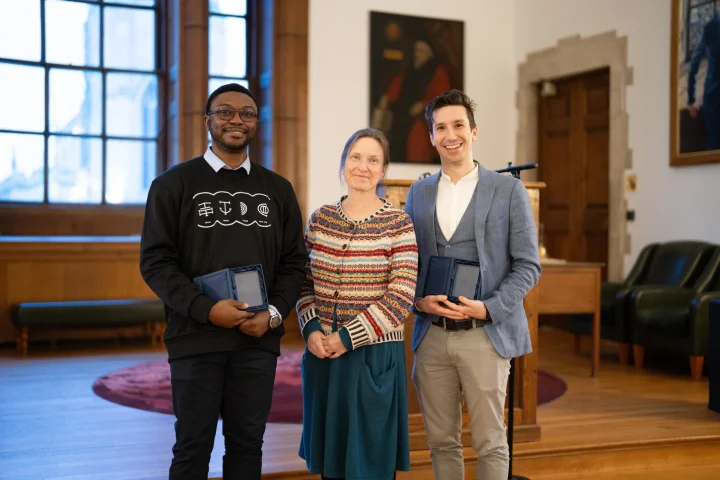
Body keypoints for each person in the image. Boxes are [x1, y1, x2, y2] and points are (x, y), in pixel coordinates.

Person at [139, 83, 308, 480]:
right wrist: (205, 309)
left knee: (248, 445)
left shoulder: (278, 190)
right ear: (208, 121)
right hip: (195, 337)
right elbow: (156, 262)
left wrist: (272, 313)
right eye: (226, 112)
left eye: (247, 113)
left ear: (256, 123)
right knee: (192, 447)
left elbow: (294, 262)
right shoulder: (173, 185)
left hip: (257, 339)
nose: (236, 119)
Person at [404, 89, 541, 480]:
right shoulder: (419, 192)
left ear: (474, 131)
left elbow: (528, 265)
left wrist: (489, 307)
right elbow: (408, 262)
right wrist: (417, 302)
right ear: (431, 136)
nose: (451, 135)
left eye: (459, 125)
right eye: (441, 127)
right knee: (441, 441)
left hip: (485, 332)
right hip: (431, 336)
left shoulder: (508, 190)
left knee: (490, 442)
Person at [296, 127, 418, 480]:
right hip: (323, 357)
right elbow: (304, 283)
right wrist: (312, 329)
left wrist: (346, 337)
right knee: (331, 463)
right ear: (344, 163)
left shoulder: (399, 224)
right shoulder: (321, 219)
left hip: (372, 359)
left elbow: (401, 296)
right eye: (355, 157)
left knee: (370, 465)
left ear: (383, 170)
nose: (363, 166)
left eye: (373, 160)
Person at [374, 39, 451, 163]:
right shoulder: (409, 70)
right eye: (415, 50)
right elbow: (394, 88)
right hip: (402, 116)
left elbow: (442, 97)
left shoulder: (438, 71)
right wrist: (386, 98)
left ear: (429, 53)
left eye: (420, 51)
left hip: (424, 119)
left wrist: (423, 104)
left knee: (416, 144)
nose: (417, 54)